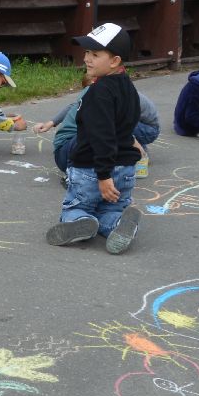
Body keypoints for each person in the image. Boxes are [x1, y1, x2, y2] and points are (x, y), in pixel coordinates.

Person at [46, 23, 143, 254]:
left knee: (78, 206)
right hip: (125, 168)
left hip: (91, 168)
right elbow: (128, 128)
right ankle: (117, 223)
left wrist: (103, 175)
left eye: (95, 54)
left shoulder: (99, 92)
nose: (87, 58)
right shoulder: (129, 88)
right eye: (87, 52)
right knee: (111, 209)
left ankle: (80, 220)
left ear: (115, 61)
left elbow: (102, 136)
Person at [36, 83, 161, 178]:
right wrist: (51, 123)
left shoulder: (117, 95)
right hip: (67, 150)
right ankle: (75, 173)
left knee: (112, 130)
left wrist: (134, 145)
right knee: (101, 134)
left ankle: (137, 150)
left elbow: (122, 124)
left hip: (148, 128)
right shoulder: (95, 94)